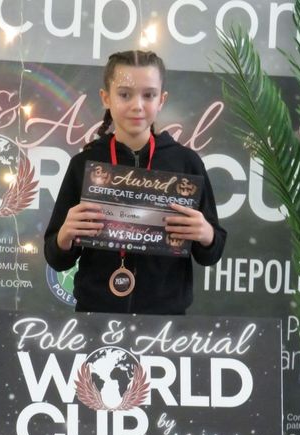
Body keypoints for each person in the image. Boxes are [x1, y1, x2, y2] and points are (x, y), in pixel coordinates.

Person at [44, 50, 227, 314]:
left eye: (148, 95)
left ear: (161, 100)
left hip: (166, 320)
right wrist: (64, 237)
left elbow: (212, 253)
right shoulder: (84, 164)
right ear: (106, 98)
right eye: (125, 94)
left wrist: (206, 234)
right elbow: (56, 258)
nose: (137, 105)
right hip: (96, 317)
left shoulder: (186, 163)